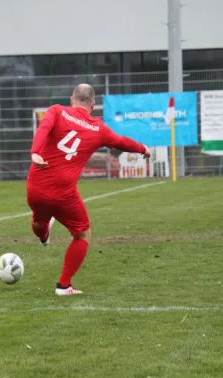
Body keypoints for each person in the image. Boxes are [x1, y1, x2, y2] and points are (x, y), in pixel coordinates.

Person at [27, 83, 151, 296]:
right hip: (63, 194)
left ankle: (43, 229)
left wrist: (35, 152)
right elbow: (121, 142)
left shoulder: (56, 110)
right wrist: (142, 149)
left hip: (35, 186)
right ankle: (64, 286)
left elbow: (43, 128)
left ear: (71, 99)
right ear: (93, 105)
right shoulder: (98, 128)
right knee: (82, 234)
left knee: (39, 220)